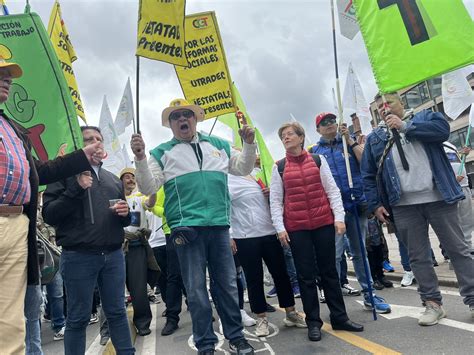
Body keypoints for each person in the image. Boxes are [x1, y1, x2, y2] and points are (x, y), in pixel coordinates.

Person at [131, 99, 256, 355]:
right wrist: (141, 157)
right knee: (196, 289)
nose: (182, 119)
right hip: (186, 229)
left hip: (219, 226)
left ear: (195, 119)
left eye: (186, 114)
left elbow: (243, 167)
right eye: (176, 117)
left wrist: (250, 144)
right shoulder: (161, 152)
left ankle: (236, 336)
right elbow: (148, 187)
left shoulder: (219, 145)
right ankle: (205, 343)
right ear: (170, 124)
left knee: (228, 285)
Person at [0, 56, 102, 354]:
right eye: (1, 73)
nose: (7, 79)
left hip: (18, 226)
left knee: (11, 321)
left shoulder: (13, 128)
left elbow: (40, 172)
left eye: (9, 75)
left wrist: (82, 155)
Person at [361, 92, 474, 325]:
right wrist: (376, 204)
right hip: (403, 205)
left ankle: (472, 299)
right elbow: (368, 175)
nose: (385, 109)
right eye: (380, 107)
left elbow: (442, 132)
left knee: (458, 250)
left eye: (389, 103)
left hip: (438, 197)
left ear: (401, 103)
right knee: (418, 257)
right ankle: (432, 304)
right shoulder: (375, 137)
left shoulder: (425, 117)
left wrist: (405, 126)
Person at [43, 126, 135, 354]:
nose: (95, 143)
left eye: (98, 139)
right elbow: (50, 214)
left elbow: (126, 220)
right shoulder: (62, 176)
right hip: (78, 257)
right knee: (78, 318)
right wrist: (75, 188)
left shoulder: (113, 179)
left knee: (117, 312)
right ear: (79, 147)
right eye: (88, 140)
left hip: (113, 256)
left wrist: (126, 215)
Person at [270, 121, 364, 342]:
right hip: (297, 228)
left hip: (323, 224)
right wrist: (280, 228)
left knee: (330, 272)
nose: (286, 137)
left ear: (301, 138)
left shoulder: (317, 160)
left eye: (290, 133)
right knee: (306, 276)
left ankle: (340, 318)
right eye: (283, 135)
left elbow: (332, 190)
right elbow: (275, 201)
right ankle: (313, 322)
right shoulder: (279, 167)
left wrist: (339, 218)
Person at [309, 112, 391, 314]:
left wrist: (350, 140)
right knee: (334, 255)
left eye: (332, 121)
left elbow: (366, 163)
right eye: (324, 123)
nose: (330, 125)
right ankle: (335, 300)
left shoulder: (348, 144)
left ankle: (369, 294)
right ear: (318, 129)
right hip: (333, 210)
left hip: (356, 205)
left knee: (360, 252)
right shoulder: (314, 153)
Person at [228, 172, 305, 337]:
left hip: (269, 232)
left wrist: (270, 194)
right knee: (254, 279)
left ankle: (291, 313)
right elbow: (224, 209)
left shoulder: (256, 174)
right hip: (245, 237)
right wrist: (229, 235)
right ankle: (261, 318)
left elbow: (275, 201)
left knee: (281, 275)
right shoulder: (225, 180)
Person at [120, 167, 160, 336]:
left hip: (136, 248)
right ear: (120, 180)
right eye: (127, 177)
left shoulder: (139, 197)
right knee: (113, 290)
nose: (130, 180)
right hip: (117, 249)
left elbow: (150, 203)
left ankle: (142, 323)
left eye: (133, 177)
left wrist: (152, 190)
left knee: (138, 290)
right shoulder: (115, 199)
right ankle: (108, 329)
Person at [150, 187, 187, 336]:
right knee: (174, 276)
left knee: (194, 273)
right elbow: (153, 207)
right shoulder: (161, 186)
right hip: (171, 232)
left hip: (192, 228)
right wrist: (166, 211)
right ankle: (172, 318)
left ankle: (199, 309)